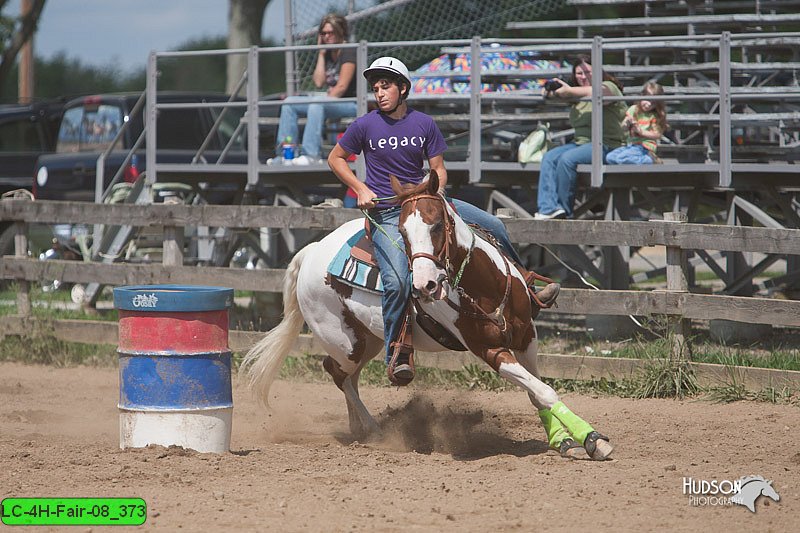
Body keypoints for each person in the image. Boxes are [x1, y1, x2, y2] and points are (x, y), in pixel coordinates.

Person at [328, 57, 560, 385]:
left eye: (386, 86)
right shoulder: (365, 125)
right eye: (376, 87)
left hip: (432, 202)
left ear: (403, 88)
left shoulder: (424, 123)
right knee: (397, 280)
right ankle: (398, 350)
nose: (379, 93)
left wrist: (435, 189)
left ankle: (526, 286)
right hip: (390, 211)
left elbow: (438, 167)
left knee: (495, 227)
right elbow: (335, 158)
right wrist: (360, 188)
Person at [534, 56, 627, 219]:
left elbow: (598, 93)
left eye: (587, 72)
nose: (583, 76)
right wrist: (551, 88)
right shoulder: (575, 95)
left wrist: (569, 91)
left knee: (567, 159)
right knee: (549, 157)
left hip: (608, 144)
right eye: (579, 73)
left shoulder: (609, 87)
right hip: (581, 144)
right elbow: (545, 93)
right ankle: (548, 209)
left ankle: (564, 213)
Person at [270, 13, 357, 166]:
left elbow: (342, 87)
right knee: (289, 103)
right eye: (323, 33)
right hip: (332, 101)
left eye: (331, 32)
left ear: (341, 32)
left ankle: (311, 154)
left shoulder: (348, 50)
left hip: (352, 103)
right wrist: (321, 53)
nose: (327, 36)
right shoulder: (328, 53)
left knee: (316, 103)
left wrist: (324, 100)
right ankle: (285, 154)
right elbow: (318, 82)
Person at [607, 81, 668, 165]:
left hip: (644, 146)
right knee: (610, 158)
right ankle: (639, 161)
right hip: (631, 145)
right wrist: (627, 123)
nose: (648, 104)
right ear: (642, 96)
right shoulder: (633, 109)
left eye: (653, 103)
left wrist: (641, 132)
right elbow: (623, 128)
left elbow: (657, 134)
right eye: (647, 99)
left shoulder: (654, 115)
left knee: (622, 158)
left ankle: (650, 160)